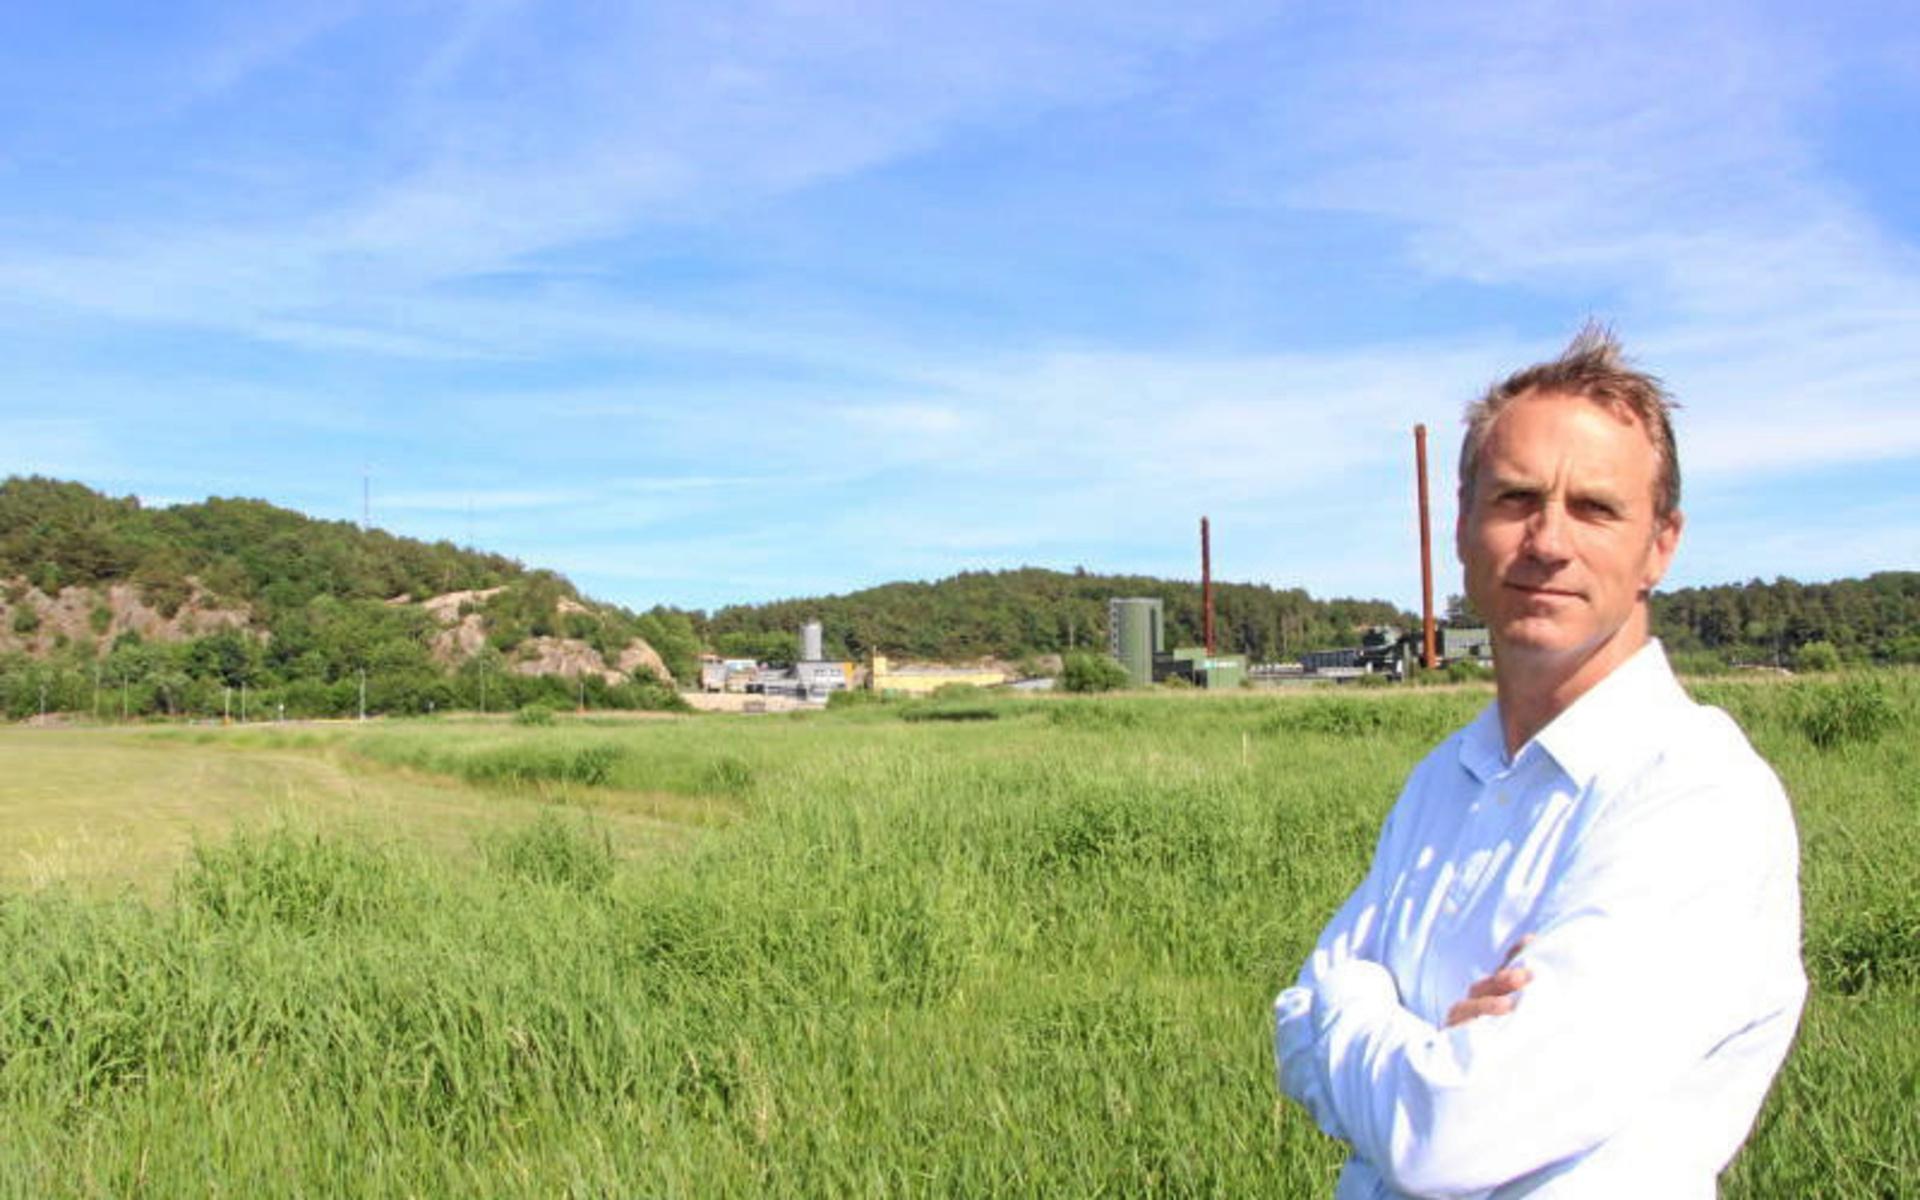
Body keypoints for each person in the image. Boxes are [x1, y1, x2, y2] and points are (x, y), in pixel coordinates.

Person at [1273, 326, 1806, 1198]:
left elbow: (1447, 1134)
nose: (1548, 541)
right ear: (1462, 529)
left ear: (1660, 546)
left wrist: (1356, 1007)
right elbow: (1291, 1018)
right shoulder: (1448, 778)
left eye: (1596, 508)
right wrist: (1407, 1040)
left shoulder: (1696, 795)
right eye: (1516, 499)